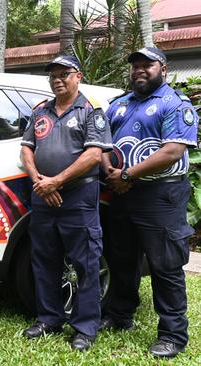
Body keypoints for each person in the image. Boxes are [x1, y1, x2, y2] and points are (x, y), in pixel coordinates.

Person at [100, 47, 199, 358]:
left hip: (161, 196)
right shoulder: (119, 104)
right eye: (136, 66)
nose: (140, 71)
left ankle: (172, 334)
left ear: (164, 69)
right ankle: (119, 315)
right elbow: (101, 142)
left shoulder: (175, 103)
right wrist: (111, 172)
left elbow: (172, 151)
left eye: (148, 65)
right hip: (121, 192)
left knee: (165, 264)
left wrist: (127, 174)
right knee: (121, 258)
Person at [20, 55, 112, 351]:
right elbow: (26, 149)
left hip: (77, 198)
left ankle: (85, 328)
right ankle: (49, 318)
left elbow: (94, 155)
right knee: (44, 260)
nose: (57, 79)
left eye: (64, 74)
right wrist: (40, 182)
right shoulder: (40, 112)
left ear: (78, 76)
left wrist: (56, 182)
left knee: (85, 263)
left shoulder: (90, 110)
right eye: (53, 75)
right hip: (43, 196)